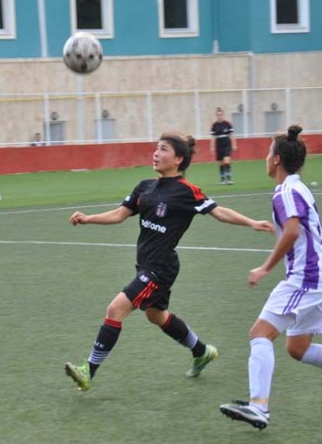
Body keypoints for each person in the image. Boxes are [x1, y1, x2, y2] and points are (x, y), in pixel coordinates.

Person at [64, 132, 274, 391]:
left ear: (178, 159)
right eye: (156, 148)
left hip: (160, 268)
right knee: (156, 315)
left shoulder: (187, 191)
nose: (156, 153)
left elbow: (219, 212)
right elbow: (119, 214)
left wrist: (252, 222)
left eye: (163, 149)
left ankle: (88, 370)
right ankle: (202, 351)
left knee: (115, 309)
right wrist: (88, 218)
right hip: (145, 264)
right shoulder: (145, 187)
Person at [219, 125, 322, 430]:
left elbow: (293, 230)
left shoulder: (285, 191)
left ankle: (259, 406)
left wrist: (265, 268)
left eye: (268, 153)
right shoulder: (298, 187)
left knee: (259, 334)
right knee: (297, 347)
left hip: (306, 278)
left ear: (277, 160)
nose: (265, 158)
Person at [210, 107, 237, 184]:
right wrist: (212, 148)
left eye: (221, 114)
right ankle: (222, 179)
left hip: (226, 144)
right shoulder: (214, 125)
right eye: (218, 115)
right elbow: (213, 137)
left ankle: (229, 179)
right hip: (219, 145)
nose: (219, 116)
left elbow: (231, 135)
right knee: (221, 163)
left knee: (227, 161)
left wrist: (234, 144)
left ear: (223, 115)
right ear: (216, 115)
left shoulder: (227, 124)